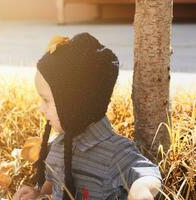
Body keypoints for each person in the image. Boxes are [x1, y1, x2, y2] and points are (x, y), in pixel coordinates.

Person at [13, 32, 162, 200]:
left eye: (46, 100)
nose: (41, 109)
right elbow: (56, 182)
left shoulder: (114, 151)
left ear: (75, 103)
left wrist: (141, 190)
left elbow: (147, 174)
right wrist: (38, 192)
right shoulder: (57, 144)